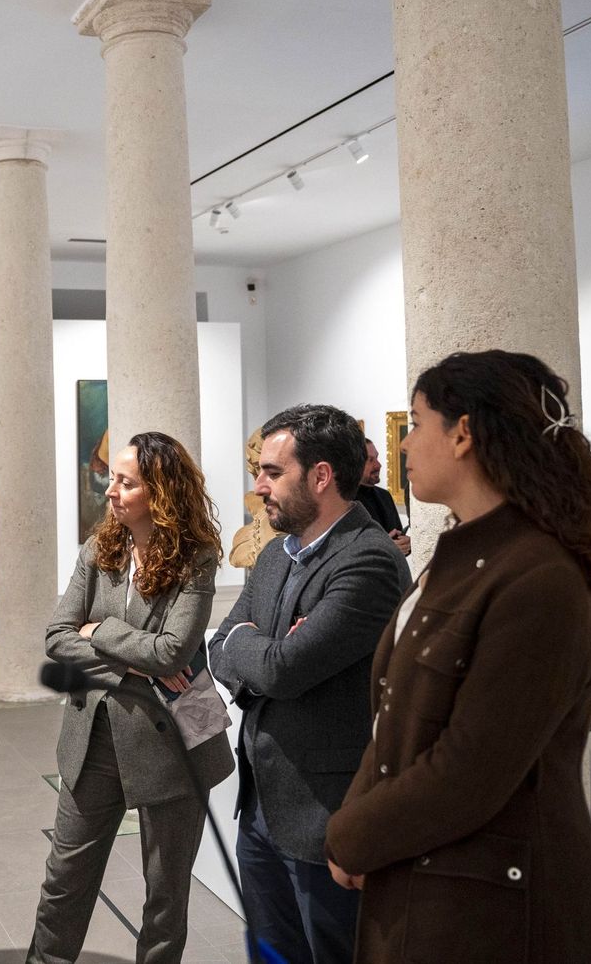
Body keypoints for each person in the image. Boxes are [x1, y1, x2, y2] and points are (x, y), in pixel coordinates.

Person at [324, 350, 591, 963]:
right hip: (431, 875)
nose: (405, 444)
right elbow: (395, 718)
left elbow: (473, 769)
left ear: (463, 433)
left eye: (416, 422)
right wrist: (360, 822)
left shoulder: (541, 577)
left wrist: (350, 834)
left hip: (496, 904)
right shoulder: (465, 554)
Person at [208, 405, 411, 964]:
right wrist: (263, 650)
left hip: (327, 817)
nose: (258, 487)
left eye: (273, 472)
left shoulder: (368, 560)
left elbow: (280, 669)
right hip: (262, 808)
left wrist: (259, 652)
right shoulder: (276, 554)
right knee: (273, 953)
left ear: (320, 477)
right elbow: (219, 647)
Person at [29, 432, 233, 964]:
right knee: (64, 882)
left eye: (125, 482)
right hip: (93, 735)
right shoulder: (99, 549)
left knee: (165, 896)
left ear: (160, 493)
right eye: (111, 479)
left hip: (175, 739)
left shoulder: (197, 558)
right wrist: (128, 660)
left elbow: (171, 653)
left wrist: (98, 630)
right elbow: (56, 637)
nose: (110, 491)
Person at [355, 437, 412, 556]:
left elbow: (397, 537)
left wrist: (406, 544)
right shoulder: (344, 501)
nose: (378, 465)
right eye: (370, 460)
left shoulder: (384, 496)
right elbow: (345, 552)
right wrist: (386, 548)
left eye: (377, 457)